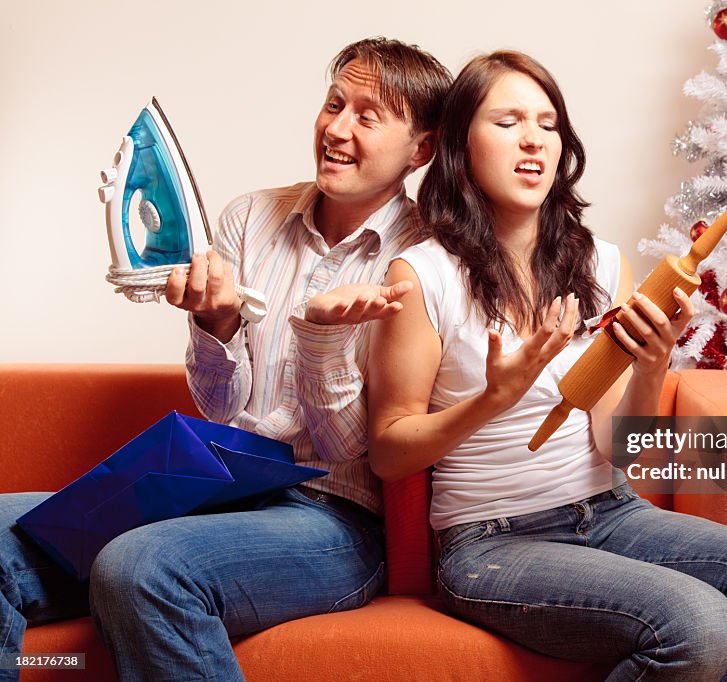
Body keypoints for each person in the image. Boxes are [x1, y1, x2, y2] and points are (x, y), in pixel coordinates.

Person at [0, 37, 450, 681]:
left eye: (367, 115)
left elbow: (355, 447)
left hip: (332, 521)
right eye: (332, 104)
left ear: (422, 150)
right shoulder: (250, 218)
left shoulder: (425, 261)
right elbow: (221, 409)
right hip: (214, 490)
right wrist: (215, 322)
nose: (337, 128)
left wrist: (322, 345)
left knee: (144, 566)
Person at [367, 51, 727, 681]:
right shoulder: (422, 276)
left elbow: (621, 449)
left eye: (548, 124)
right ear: (461, 146)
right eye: (508, 121)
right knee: (696, 622)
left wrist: (653, 363)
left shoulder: (602, 262)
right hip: (491, 541)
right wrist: (493, 400)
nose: (533, 140)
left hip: (610, 510)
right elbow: (387, 451)